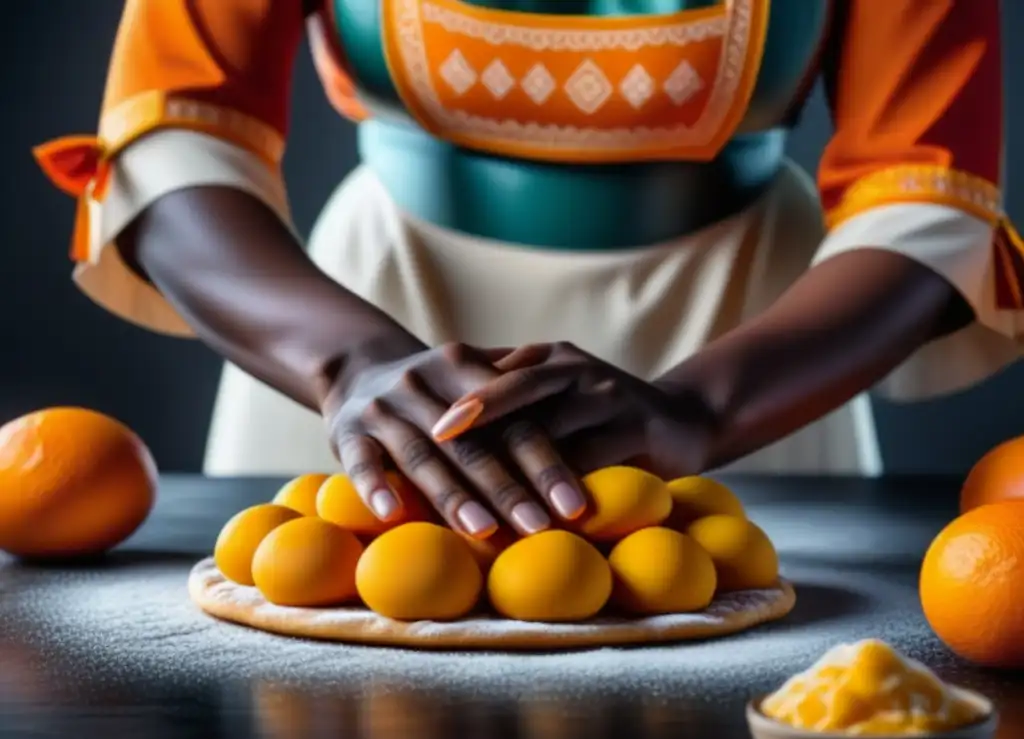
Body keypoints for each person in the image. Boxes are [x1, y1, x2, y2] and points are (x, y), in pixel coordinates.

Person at [35, 0, 1023, 540]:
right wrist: (348, 366)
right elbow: (169, 136)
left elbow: (927, 194)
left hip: (754, 348)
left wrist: (703, 409)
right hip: (356, 317)